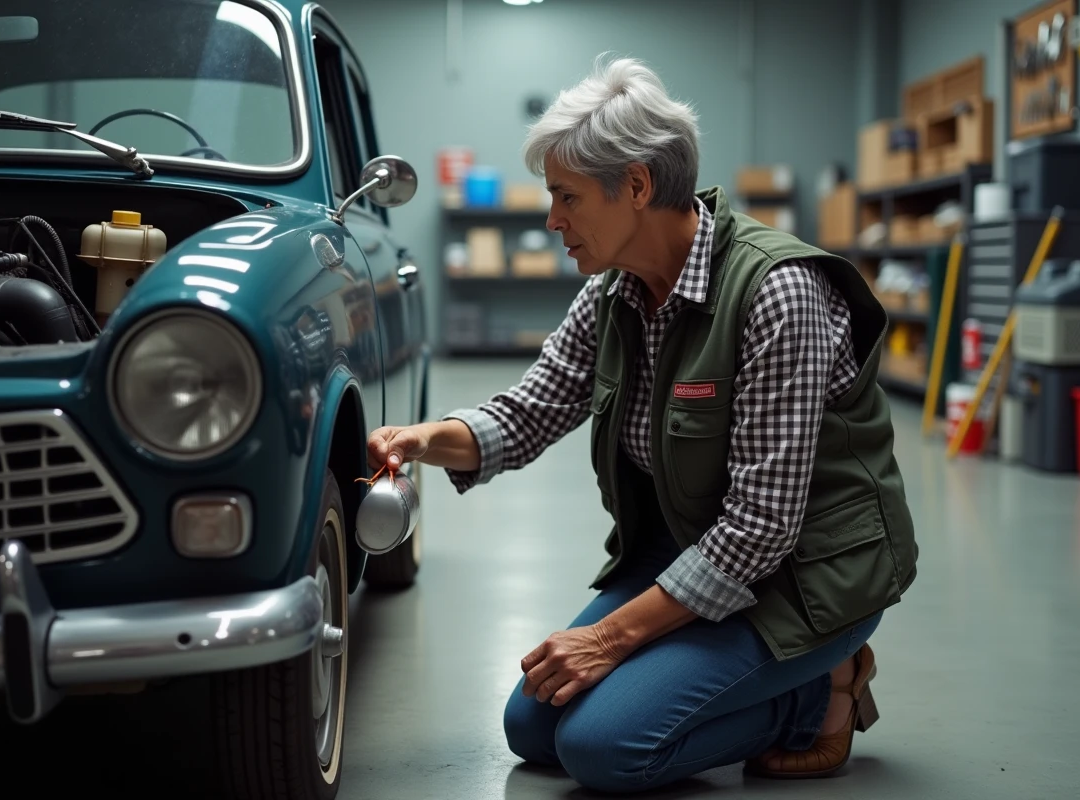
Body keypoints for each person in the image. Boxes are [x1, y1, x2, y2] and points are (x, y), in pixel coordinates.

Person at [367, 55, 917, 793]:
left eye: (565, 197)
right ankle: (767, 688)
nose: (552, 219)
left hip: (804, 579)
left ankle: (818, 696)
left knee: (603, 748)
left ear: (634, 185)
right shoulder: (614, 293)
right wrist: (424, 439)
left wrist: (606, 640)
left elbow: (760, 527)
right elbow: (530, 410)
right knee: (533, 727)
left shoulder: (777, 294)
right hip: (692, 556)